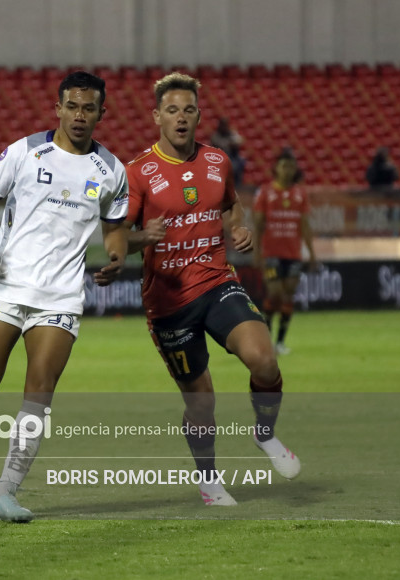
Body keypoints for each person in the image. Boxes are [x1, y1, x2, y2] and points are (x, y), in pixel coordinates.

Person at [0, 71, 129, 522]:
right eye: (73, 106)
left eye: (89, 108)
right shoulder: (24, 151)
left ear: (102, 113)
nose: (80, 116)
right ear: (57, 108)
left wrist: (117, 256)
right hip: (9, 284)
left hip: (61, 295)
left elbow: (115, 227)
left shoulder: (111, 171)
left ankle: (5, 493)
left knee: (39, 393)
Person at [125, 72, 300, 507]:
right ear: (156, 117)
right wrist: (140, 238)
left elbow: (232, 205)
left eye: (188, 110)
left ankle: (265, 433)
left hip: (218, 282)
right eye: (171, 111)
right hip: (169, 304)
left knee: (263, 359)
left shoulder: (218, 161)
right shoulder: (137, 173)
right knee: (201, 403)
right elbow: (113, 236)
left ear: (198, 115)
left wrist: (238, 228)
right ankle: (209, 480)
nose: (180, 118)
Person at [253, 151, 317, 355]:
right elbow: (258, 224)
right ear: (276, 168)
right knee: (274, 293)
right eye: (283, 166)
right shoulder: (264, 192)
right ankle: (265, 341)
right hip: (271, 253)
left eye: (290, 166)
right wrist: (256, 252)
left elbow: (305, 225)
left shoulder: (301, 194)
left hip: (293, 254)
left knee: (288, 295)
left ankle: (279, 342)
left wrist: (312, 253)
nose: (287, 170)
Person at [210, 117, 245, 185]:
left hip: (232, 157)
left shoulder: (231, 133)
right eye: (223, 125)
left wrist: (233, 142)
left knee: (240, 162)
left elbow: (240, 140)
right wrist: (228, 144)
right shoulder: (216, 135)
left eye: (225, 125)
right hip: (219, 158)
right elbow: (217, 144)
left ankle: (238, 185)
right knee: (232, 167)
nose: (224, 127)